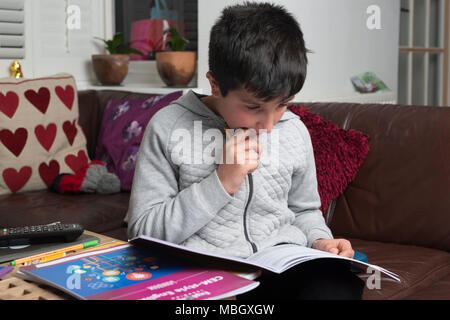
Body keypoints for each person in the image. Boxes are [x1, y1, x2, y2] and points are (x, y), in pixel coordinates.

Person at [127, 2, 364, 300]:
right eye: (253, 107)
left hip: (278, 265)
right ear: (215, 86)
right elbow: (142, 233)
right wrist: (221, 182)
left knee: (339, 287)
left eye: (282, 104)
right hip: (200, 271)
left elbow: (303, 210)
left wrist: (320, 240)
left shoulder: (294, 129)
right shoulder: (168, 127)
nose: (268, 125)